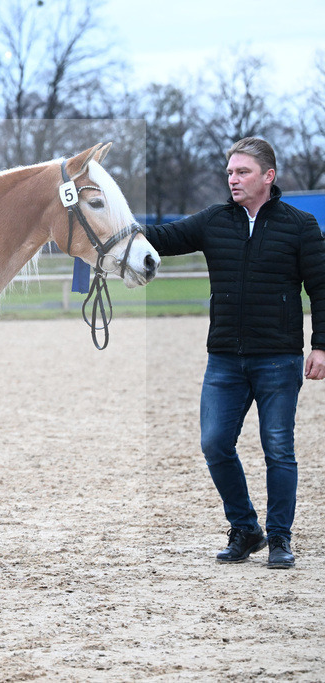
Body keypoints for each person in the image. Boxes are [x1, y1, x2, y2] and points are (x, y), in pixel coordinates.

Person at [145, 137, 325, 569]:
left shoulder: (301, 226)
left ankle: (280, 538)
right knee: (214, 443)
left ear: (268, 176)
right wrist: (108, 224)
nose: (233, 179)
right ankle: (246, 529)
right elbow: (162, 237)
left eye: (242, 172)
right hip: (224, 357)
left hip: (279, 358)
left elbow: (321, 289)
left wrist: (321, 345)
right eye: (229, 172)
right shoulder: (213, 221)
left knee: (278, 448)